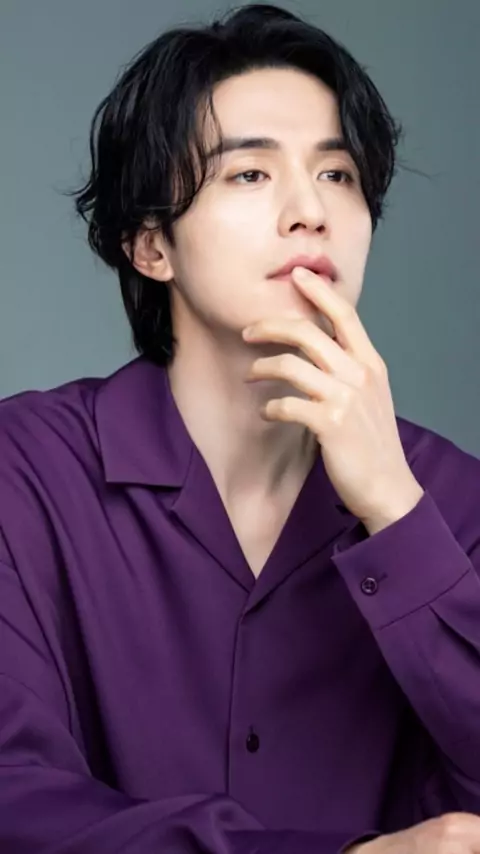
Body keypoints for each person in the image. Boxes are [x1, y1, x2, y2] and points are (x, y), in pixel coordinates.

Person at [1, 3, 480, 852]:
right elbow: (16, 801)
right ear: (151, 246)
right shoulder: (27, 471)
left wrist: (397, 516)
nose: (310, 211)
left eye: (338, 174)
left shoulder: (451, 499)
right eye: (251, 174)